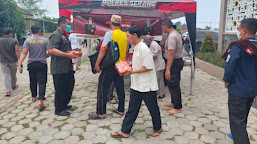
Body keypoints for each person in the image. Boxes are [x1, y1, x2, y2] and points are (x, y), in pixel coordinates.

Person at [110, 26, 162, 138]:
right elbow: (139, 65)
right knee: (132, 109)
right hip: (137, 84)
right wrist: (128, 68)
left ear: (135, 35)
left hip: (147, 85)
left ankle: (158, 127)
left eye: (128, 36)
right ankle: (125, 131)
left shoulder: (144, 48)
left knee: (153, 108)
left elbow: (148, 67)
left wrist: (132, 71)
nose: (127, 39)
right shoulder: (136, 47)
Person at [222, 18, 257, 144]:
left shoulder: (239, 46)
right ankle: (236, 135)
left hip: (238, 91)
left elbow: (230, 65)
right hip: (251, 91)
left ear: (244, 30)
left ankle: (239, 137)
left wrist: (226, 81)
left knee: (237, 124)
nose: (238, 31)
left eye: (239, 29)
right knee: (242, 119)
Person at [88, 15, 127, 119]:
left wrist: (97, 64)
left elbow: (103, 50)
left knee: (102, 87)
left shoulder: (110, 34)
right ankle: (121, 109)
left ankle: (101, 112)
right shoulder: (124, 35)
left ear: (110, 23)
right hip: (121, 64)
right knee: (120, 87)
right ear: (120, 24)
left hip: (110, 65)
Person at [48, 16, 77, 116]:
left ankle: (64, 104)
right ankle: (59, 109)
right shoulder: (56, 35)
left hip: (67, 66)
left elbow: (65, 49)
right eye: (67, 24)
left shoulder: (64, 35)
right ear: (61, 24)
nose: (69, 26)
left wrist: (71, 55)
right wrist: (66, 55)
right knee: (60, 89)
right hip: (59, 68)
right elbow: (51, 50)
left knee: (69, 86)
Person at [17, 25, 48, 111]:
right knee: (42, 82)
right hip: (42, 63)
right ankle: (41, 100)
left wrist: (19, 63)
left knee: (33, 80)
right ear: (39, 31)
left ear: (31, 32)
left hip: (31, 64)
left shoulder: (28, 41)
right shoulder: (45, 40)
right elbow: (49, 51)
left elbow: (24, 53)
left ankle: (34, 97)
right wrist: (47, 55)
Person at [162, 19, 184, 115]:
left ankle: (177, 107)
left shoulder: (171, 37)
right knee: (173, 83)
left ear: (165, 26)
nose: (162, 28)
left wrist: (167, 69)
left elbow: (171, 54)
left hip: (173, 62)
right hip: (178, 60)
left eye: (162, 27)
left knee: (173, 83)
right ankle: (173, 102)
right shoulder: (177, 34)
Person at [143, 35, 166, 99]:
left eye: (145, 40)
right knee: (159, 80)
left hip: (158, 65)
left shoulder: (153, 45)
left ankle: (160, 93)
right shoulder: (152, 44)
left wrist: (146, 56)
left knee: (158, 80)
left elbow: (154, 54)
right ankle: (160, 92)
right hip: (158, 65)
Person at [0, 28, 20, 96]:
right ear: (10, 33)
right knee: (13, 74)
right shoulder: (14, 40)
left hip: (3, 60)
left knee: (6, 75)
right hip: (13, 60)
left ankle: (8, 91)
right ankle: (13, 85)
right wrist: (19, 59)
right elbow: (17, 50)